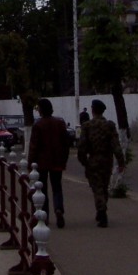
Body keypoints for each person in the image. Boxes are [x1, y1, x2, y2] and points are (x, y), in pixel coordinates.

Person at [76, 99, 126, 228]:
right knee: (104, 187)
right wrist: (121, 162)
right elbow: (116, 146)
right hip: (107, 161)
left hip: (93, 160)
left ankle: (102, 212)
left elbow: (81, 147)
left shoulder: (87, 126)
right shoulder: (109, 125)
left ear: (92, 110)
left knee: (97, 187)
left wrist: (84, 162)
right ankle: (101, 209)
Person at [28, 98, 72, 228]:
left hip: (42, 163)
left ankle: (45, 216)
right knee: (57, 187)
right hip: (57, 161)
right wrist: (64, 159)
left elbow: (34, 147)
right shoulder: (59, 123)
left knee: (43, 190)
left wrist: (31, 164)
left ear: (41, 110)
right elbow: (66, 144)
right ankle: (58, 209)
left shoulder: (38, 125)